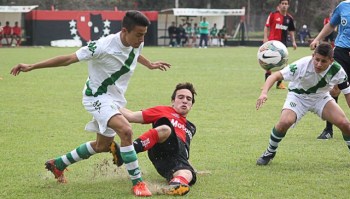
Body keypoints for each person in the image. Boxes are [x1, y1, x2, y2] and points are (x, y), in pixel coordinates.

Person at [10, 10, 171, 197]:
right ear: (125, 31)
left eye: (144, 35)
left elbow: (134, 54)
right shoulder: (102, 46)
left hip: (114, 99)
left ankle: (58, 164)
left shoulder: (136, 42)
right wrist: (32, 66)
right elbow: (69, 59)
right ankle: (138, 183)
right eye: (138, 35)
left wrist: (149, 64)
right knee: (126, 130)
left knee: (102, 145)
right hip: (96, 97)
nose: (142, 40)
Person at [256, 43, 350, 166]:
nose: (319, 64)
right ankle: (270, 151)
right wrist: (264, 93)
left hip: (320, 97)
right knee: (285, 122)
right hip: (298, 97)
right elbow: (275, 76)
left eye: (323, 61)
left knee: (345, 124)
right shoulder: (301, 65)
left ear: (331, 61)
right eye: (316, 60)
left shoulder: (338, 71)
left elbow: (347, 94)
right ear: (313, 56)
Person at [112, 82, 197, 196]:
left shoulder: (191, 127)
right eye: (180, 97)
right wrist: (108, 104)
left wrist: (189, 165)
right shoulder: (162, 111)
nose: (185, 101)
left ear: (191, 105)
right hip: (161, 146)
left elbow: (184, 148)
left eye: (188, 99)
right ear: (173, 101)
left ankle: (175, 185)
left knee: (188, 174)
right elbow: (130, 116)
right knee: (165, 129)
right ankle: (126, 153)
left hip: (175, 158)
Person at [310, 1, 350, 140]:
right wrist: (317, 39)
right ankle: (328, 129)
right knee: (334, 89)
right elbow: (331, 25)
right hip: (341, 52)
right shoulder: (343, 6)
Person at [263, 0, 297, 90]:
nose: (284, 6)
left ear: (288, 6)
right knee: (268, 63)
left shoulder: (289, 18)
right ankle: (266, 84)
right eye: (283, 4)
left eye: (286, 4)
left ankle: (279, 84)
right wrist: (265, 38)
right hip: (272, 44)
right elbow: (267, 26)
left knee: (282, 64)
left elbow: (291, 31)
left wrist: (293, 41)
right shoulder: (273, 15)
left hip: (283, 44)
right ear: (279, 5)